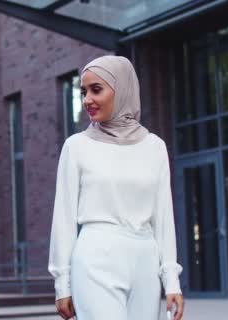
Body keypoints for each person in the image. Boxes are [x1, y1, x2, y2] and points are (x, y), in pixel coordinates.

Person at [49, 55, 185, 320]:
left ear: (122, 89)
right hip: (96, 257)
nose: (87, 99)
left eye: (96, 89)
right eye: (84, 91)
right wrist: (62, 283)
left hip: (146, 259)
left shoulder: (154, 146)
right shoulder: (77, 146)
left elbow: (164, 217)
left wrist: (171, 281)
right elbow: (63, 219)